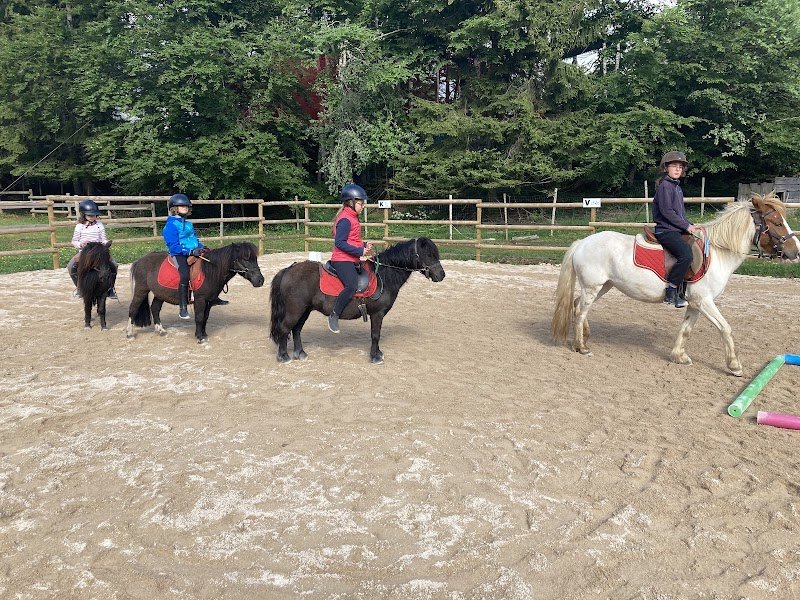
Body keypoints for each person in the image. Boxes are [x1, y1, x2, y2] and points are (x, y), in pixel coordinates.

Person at [328, 183, 374, 333]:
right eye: (360, 203)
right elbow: (340, 243)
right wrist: (360, 250)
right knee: (352, 285)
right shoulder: (346, 219)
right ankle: (334, 315)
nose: (363, 206)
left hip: (351, 258)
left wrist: (364, 244)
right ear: (351, 202)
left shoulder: (352, 217)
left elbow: (352, 240)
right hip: (342, 259)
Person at [653, 150, 696, 308]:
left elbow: (680, 214)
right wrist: (685, 226)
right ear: (666, 168)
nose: (678, 169)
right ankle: (671, 290)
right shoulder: (665, 186)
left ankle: (683, 290)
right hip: (666, 230)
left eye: (680, 166)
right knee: (686, 254)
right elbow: (667, 212)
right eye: (674, 166)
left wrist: (690, 224)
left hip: (675, 229)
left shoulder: (676, 187)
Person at [68, 199, 117, 299]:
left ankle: (110, 288)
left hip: (98, 251)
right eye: (90, 215)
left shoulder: (99, 225)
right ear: (83, 214)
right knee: (71, 266)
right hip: (85, 251)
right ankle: (79, 288)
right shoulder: (79, 226)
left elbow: (103, 239)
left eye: (94, 215)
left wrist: (106, 243)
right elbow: (74, 241)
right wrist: (80, 244)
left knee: (114, 265)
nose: (93, 217)